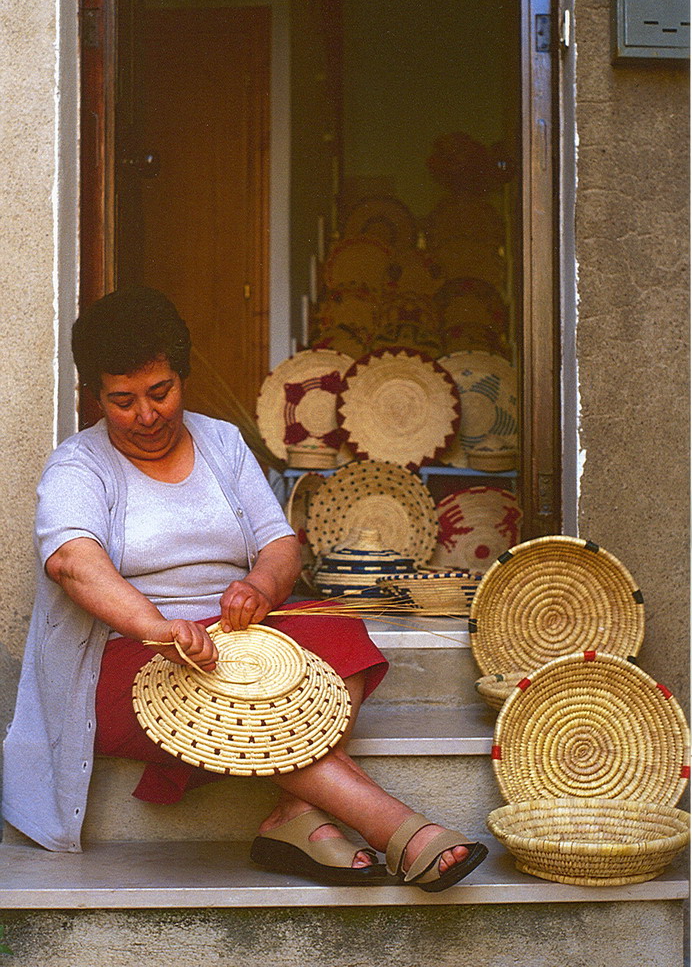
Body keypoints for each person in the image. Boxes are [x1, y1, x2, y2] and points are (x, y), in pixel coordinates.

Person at [3, 286, 487, 891]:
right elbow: (75, 564)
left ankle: (296, 814)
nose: (146, 416)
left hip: (238, 635)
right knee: (230, 694)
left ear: (183, 375)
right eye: (122, 401)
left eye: (160, 393)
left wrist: (260, 585)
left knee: (340, 634)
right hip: (132, 652)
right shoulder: (79, 465)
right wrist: (157, 627)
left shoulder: (223, 443)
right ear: (93, 397)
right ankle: (403, 831)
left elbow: (280, 544)